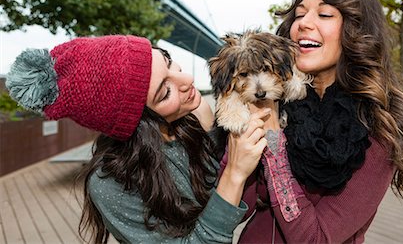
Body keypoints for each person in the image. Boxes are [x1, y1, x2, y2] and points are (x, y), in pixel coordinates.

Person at [222, 0, 403, 243]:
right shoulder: (278, 100)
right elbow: (235, 210)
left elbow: (315, 239)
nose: (304, 24)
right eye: (299, 14)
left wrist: (274, 144)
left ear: (355, 30)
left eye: (324, 15)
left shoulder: (378, 127)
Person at [6, 35, 270, 244]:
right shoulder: (110, 184)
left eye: (168, 61)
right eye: (165, 92)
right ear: (140, 121)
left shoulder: (195, 119)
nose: (187, 79)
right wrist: (234, 173)